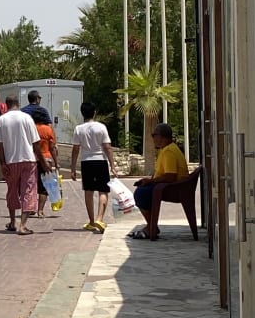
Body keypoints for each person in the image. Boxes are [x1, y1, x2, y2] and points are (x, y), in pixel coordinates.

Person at [0, 95, 44, 235]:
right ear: (18, 103)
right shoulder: (27, 118)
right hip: (28, 159)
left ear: (6, 104)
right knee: (28, 190)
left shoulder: (1, 120)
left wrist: (2, 163)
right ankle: (23, 225)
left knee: (12, 190)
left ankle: (12, 221)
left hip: (10, 161)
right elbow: (35, 143)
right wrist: (43, 162)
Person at [131, 122, 189, 240]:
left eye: (154, 135)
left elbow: (170, 176)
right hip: (170, 186)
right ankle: (151, 226)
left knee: (140, 193)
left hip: (174, 188)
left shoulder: (169, 151)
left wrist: (151, 182)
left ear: (162, 136)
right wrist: (149, 181)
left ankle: (151, 227)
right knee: (143, 190)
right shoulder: (166, 149)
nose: (153, 138)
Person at [70, 101, 119, 233]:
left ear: (82, 113)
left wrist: (73, 168)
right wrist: (112, 165)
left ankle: (91, 221)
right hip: (100, 161)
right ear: (94, 112)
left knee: (88, 191)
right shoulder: (101, 127)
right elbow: (107, 147)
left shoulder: (78, 129)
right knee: (103, 191)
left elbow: (75, 149)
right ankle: (99, 218)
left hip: (86, 162)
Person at [29, 107, 58, 218]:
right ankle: (40, 211)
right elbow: (52, 148)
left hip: (32, 159)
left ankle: (30, 208)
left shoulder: (31, 129)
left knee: (31, 185)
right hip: (46, 159)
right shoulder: (48, 130)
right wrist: (56, 162)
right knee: (44, 186)